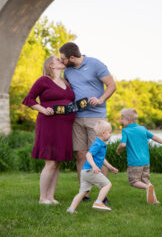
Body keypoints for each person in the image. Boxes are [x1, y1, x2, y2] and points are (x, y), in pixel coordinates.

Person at [59, 42, 116, 203]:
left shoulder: (95, 64)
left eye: (63, 59)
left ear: (71, 57)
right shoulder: (68, 70)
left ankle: (103, 195)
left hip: (96, 118)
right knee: (80, 155)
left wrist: (100, 99)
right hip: (76, 117)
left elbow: (112, 85)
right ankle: (85, 193)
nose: (61, 61)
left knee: (98, 154)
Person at [22, 56, 75, 204]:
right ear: (51, 65)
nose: (61, 60)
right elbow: (29, 99)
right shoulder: (43, 80)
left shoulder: (66, 82)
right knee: (50, 162)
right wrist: (43, 110)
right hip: (49, 124)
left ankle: (51, 196)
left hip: (65, 126)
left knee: (57, 162)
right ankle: (42, 198)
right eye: (58, 59)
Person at [116, 108, 162, 204]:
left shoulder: (125, 130)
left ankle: (147, 188)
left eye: (122, 118)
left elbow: (123, 144)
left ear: (128, 120)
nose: (120, 121)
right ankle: (154, 200)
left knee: (134, 181)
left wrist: (118, 150)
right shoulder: (142, 128)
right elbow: (154, 137)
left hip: (135, 162)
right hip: (145, 161)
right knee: (146, 180)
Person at [67, 120, 118, 214]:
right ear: (103, 133)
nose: (110, 135)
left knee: (83, 192)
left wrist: (110, 167)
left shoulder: (100, 144)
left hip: (85, 172)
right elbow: (88, 155)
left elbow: (102, 159)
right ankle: (98, 202)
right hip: (91, 171)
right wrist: (94, 166)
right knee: (107, 184)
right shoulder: (98, 144)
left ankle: (71, 209)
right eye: (109, 132)